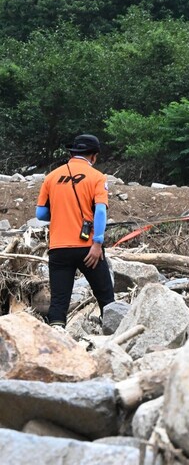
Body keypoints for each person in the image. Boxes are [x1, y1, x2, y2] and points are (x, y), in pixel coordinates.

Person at [36, 133, 114, 328]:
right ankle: (113, 339)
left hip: (59, 248)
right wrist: (97, 242)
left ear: (72, 153)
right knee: (106, 296)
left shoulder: (51, 177)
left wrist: (63, 213)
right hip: (88, 249)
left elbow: (40, 214)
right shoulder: (97, 177)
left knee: (59, 301)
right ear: (94, 156)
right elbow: (101, 212)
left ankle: (57, 336)